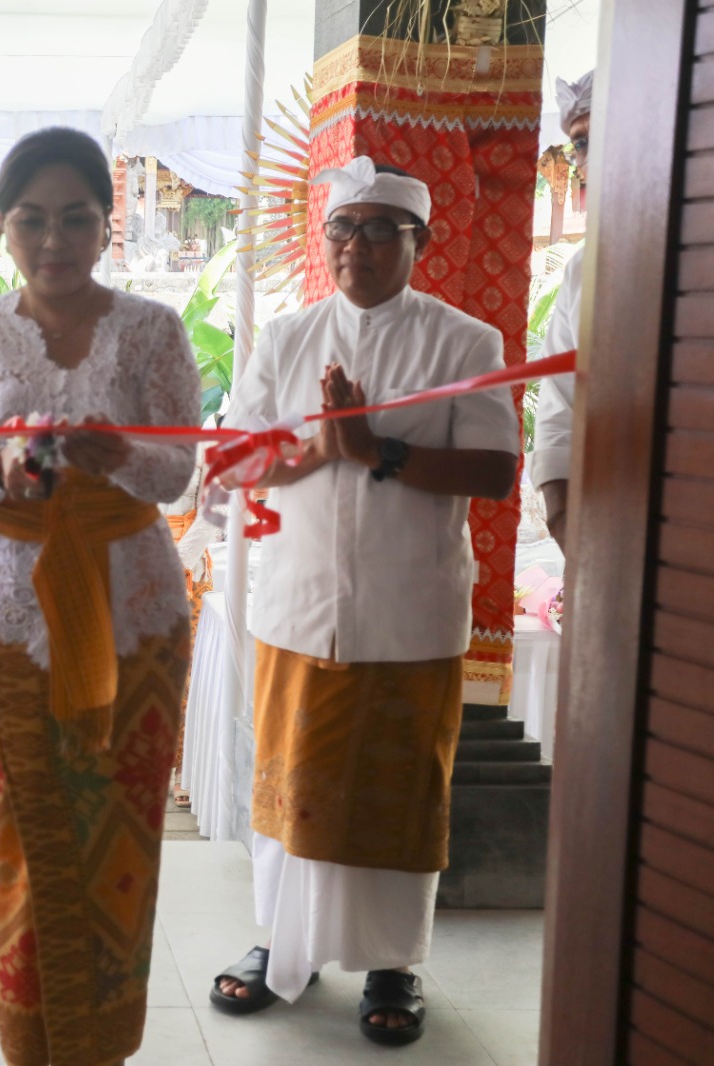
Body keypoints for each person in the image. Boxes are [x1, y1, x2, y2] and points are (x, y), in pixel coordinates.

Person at [209, 157, 519, 1046]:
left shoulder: (466, 342)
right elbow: (236, 459)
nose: (359, 247)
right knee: (290, 793)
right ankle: (283, 949)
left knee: (396, 791)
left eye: (384, 230)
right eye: (343, 229)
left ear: (420, 242)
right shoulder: (287, 337)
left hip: (407, 611)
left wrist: (376, 447)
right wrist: (320, 449)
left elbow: (496, 471)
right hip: (300, 606)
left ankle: (394, 964)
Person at [0, 127, 201, 1066]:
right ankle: (29, 1046)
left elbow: (178, 477)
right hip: (3, 616)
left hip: (138, 614)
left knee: (119, 839)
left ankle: (100, 1048)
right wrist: (2, 465)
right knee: (18, 839)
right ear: (2, 228)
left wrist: (120, 454)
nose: (55, 239)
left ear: (106, 226)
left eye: (77, 217)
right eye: (32, 219)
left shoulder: (153, 330)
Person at [532, 69, 595, 552]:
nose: (591, 160)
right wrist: (564, 521)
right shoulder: (584, 271)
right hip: (610, 531)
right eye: (583, 144)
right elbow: (558, 414)